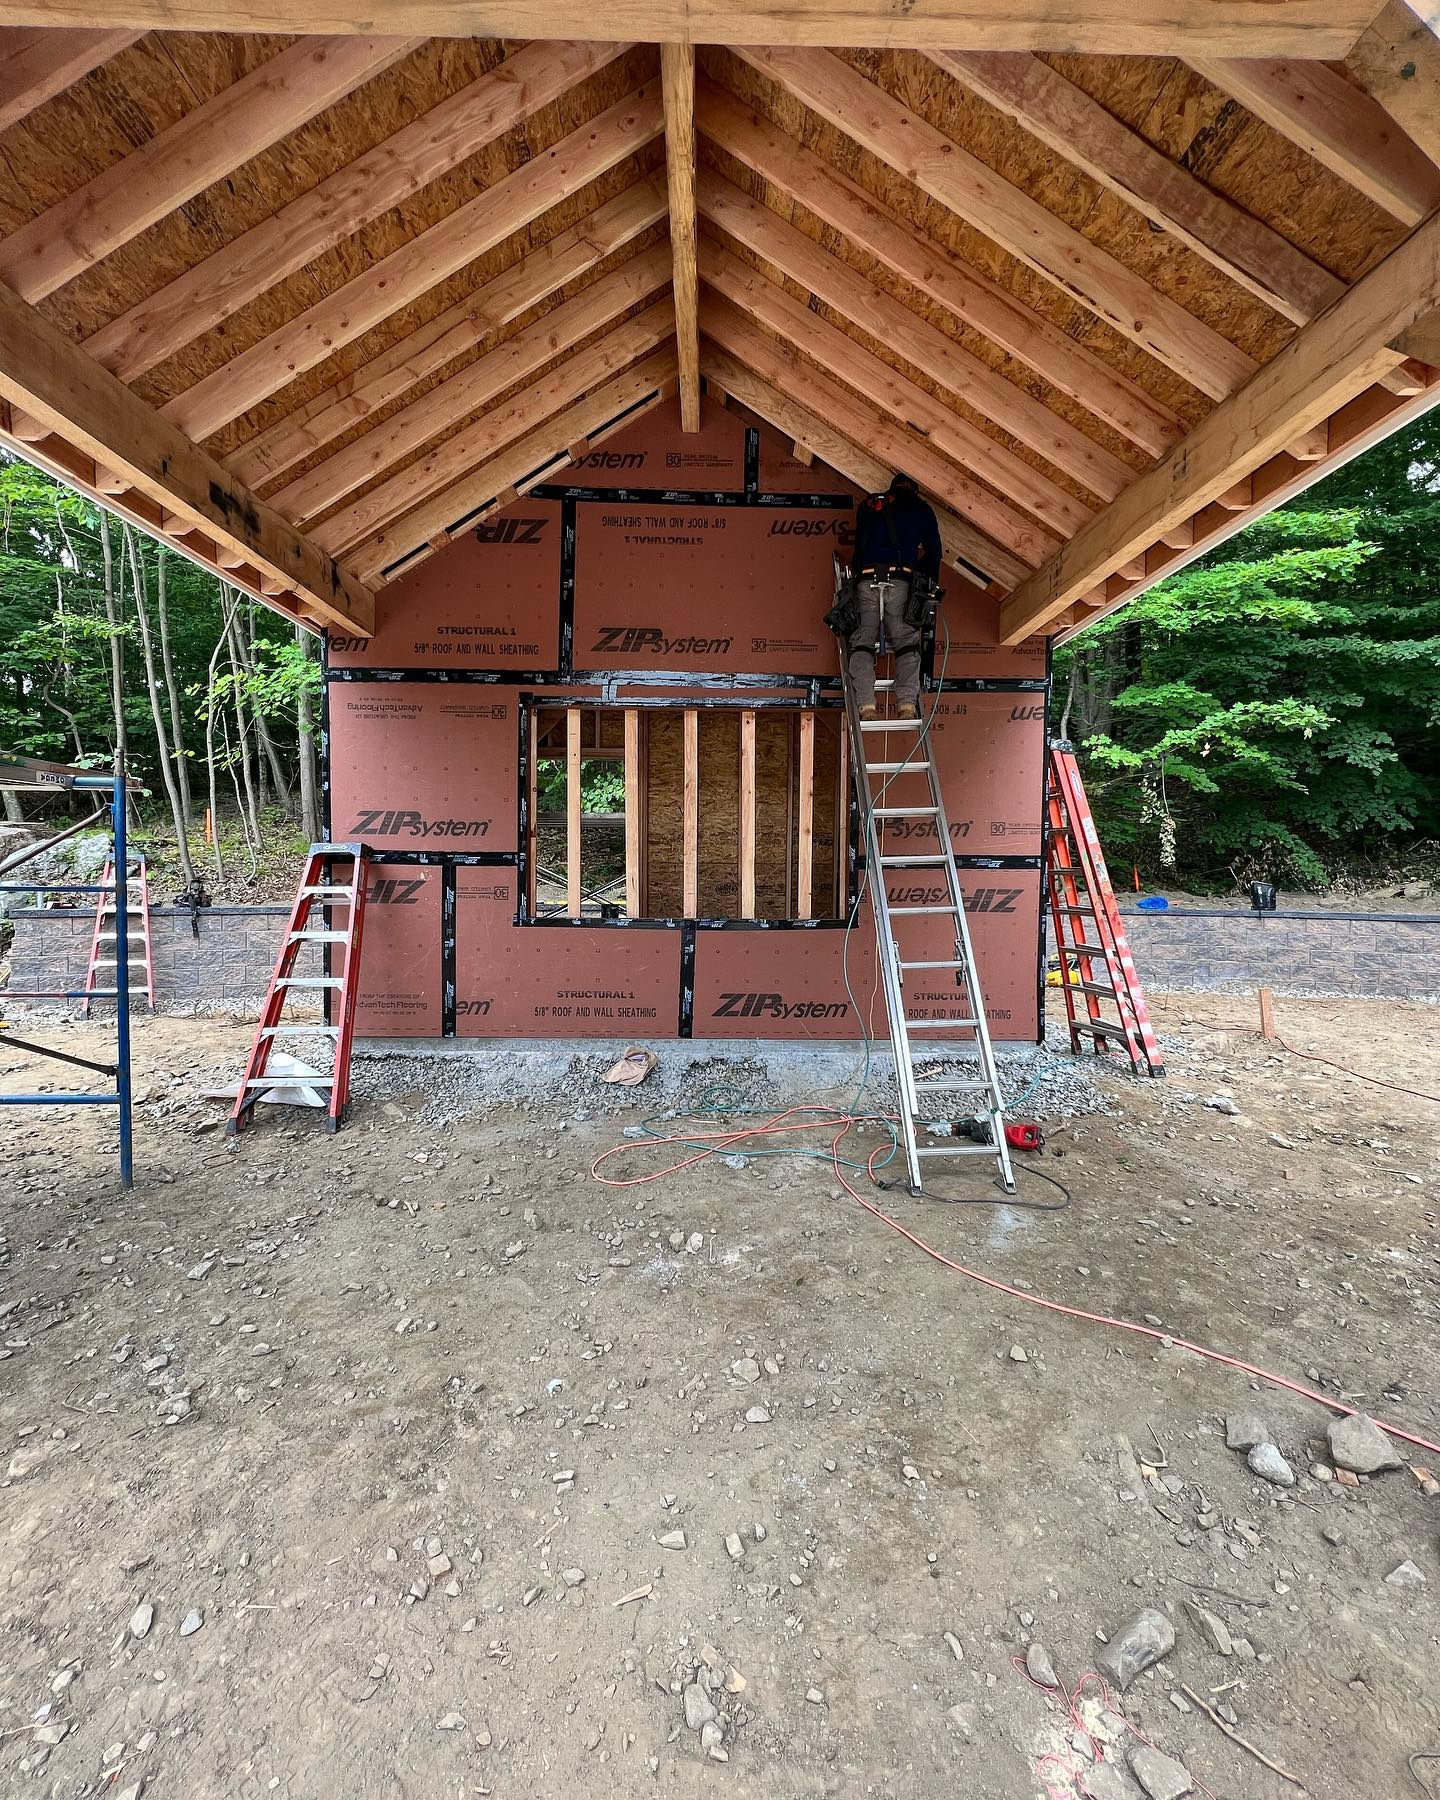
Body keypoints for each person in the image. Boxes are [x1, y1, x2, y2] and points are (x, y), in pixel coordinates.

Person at [847, 472, 942, 721]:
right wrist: (925, 582)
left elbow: (859, 548)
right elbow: (934, 553)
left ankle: (866, 706)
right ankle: (907, 705)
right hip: (899, 582)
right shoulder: (920, 509)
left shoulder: (870, 504)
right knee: (906, 643)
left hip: (866, 580)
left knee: (862, 643)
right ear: (914, 490)